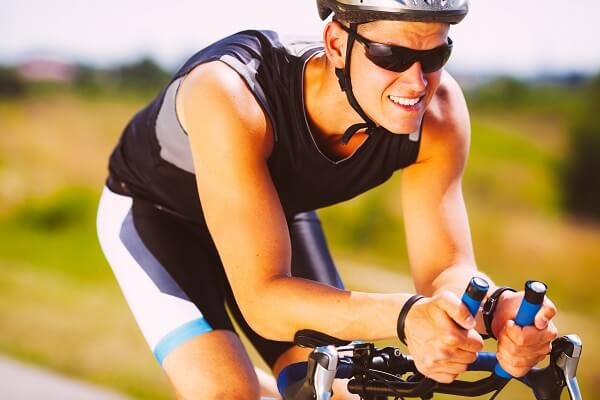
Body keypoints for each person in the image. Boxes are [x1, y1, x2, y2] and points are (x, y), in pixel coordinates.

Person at [96, 0, 558, 398]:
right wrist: (405, 318)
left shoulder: (437, 114)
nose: (417, 82)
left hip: (272, 218)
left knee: (337, 391)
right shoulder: (230, 91)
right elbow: (263, 301)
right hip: (159, 216)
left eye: (436, 54)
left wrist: (496, 311)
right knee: (225, 390)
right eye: (391, 55)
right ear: (337, 43)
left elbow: (445, 271)